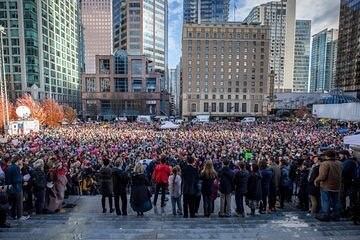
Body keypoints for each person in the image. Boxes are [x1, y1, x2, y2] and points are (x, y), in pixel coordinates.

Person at [315, 150, 342, 221]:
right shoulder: (339, 163)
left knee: (325, 201)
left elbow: (322, 176)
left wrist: (316, 181)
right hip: (337, 185)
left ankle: (325, 215)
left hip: (326, 185)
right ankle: (336, 215)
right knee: (336, 201)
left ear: (326, 156)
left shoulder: (325, 163)